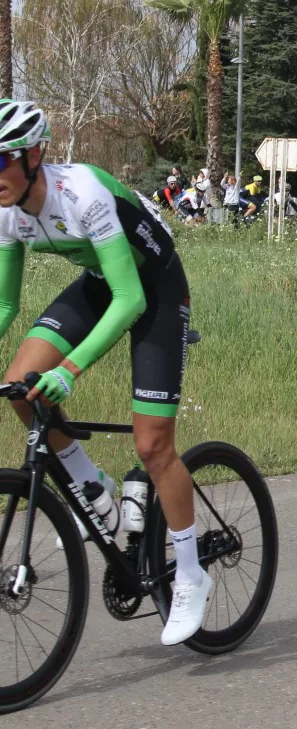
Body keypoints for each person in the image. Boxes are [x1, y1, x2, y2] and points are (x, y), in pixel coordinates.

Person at [0, 99, 209, 645]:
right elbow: (2, 307)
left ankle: (189, 571)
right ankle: (94, 486)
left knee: (153, 445)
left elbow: (130, 298)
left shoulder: (83, 192)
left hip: (153, 287)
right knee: (20, 385)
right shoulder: (5, 211)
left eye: (1, 162)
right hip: (101, 281)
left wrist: (70, 369)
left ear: (34, 155)